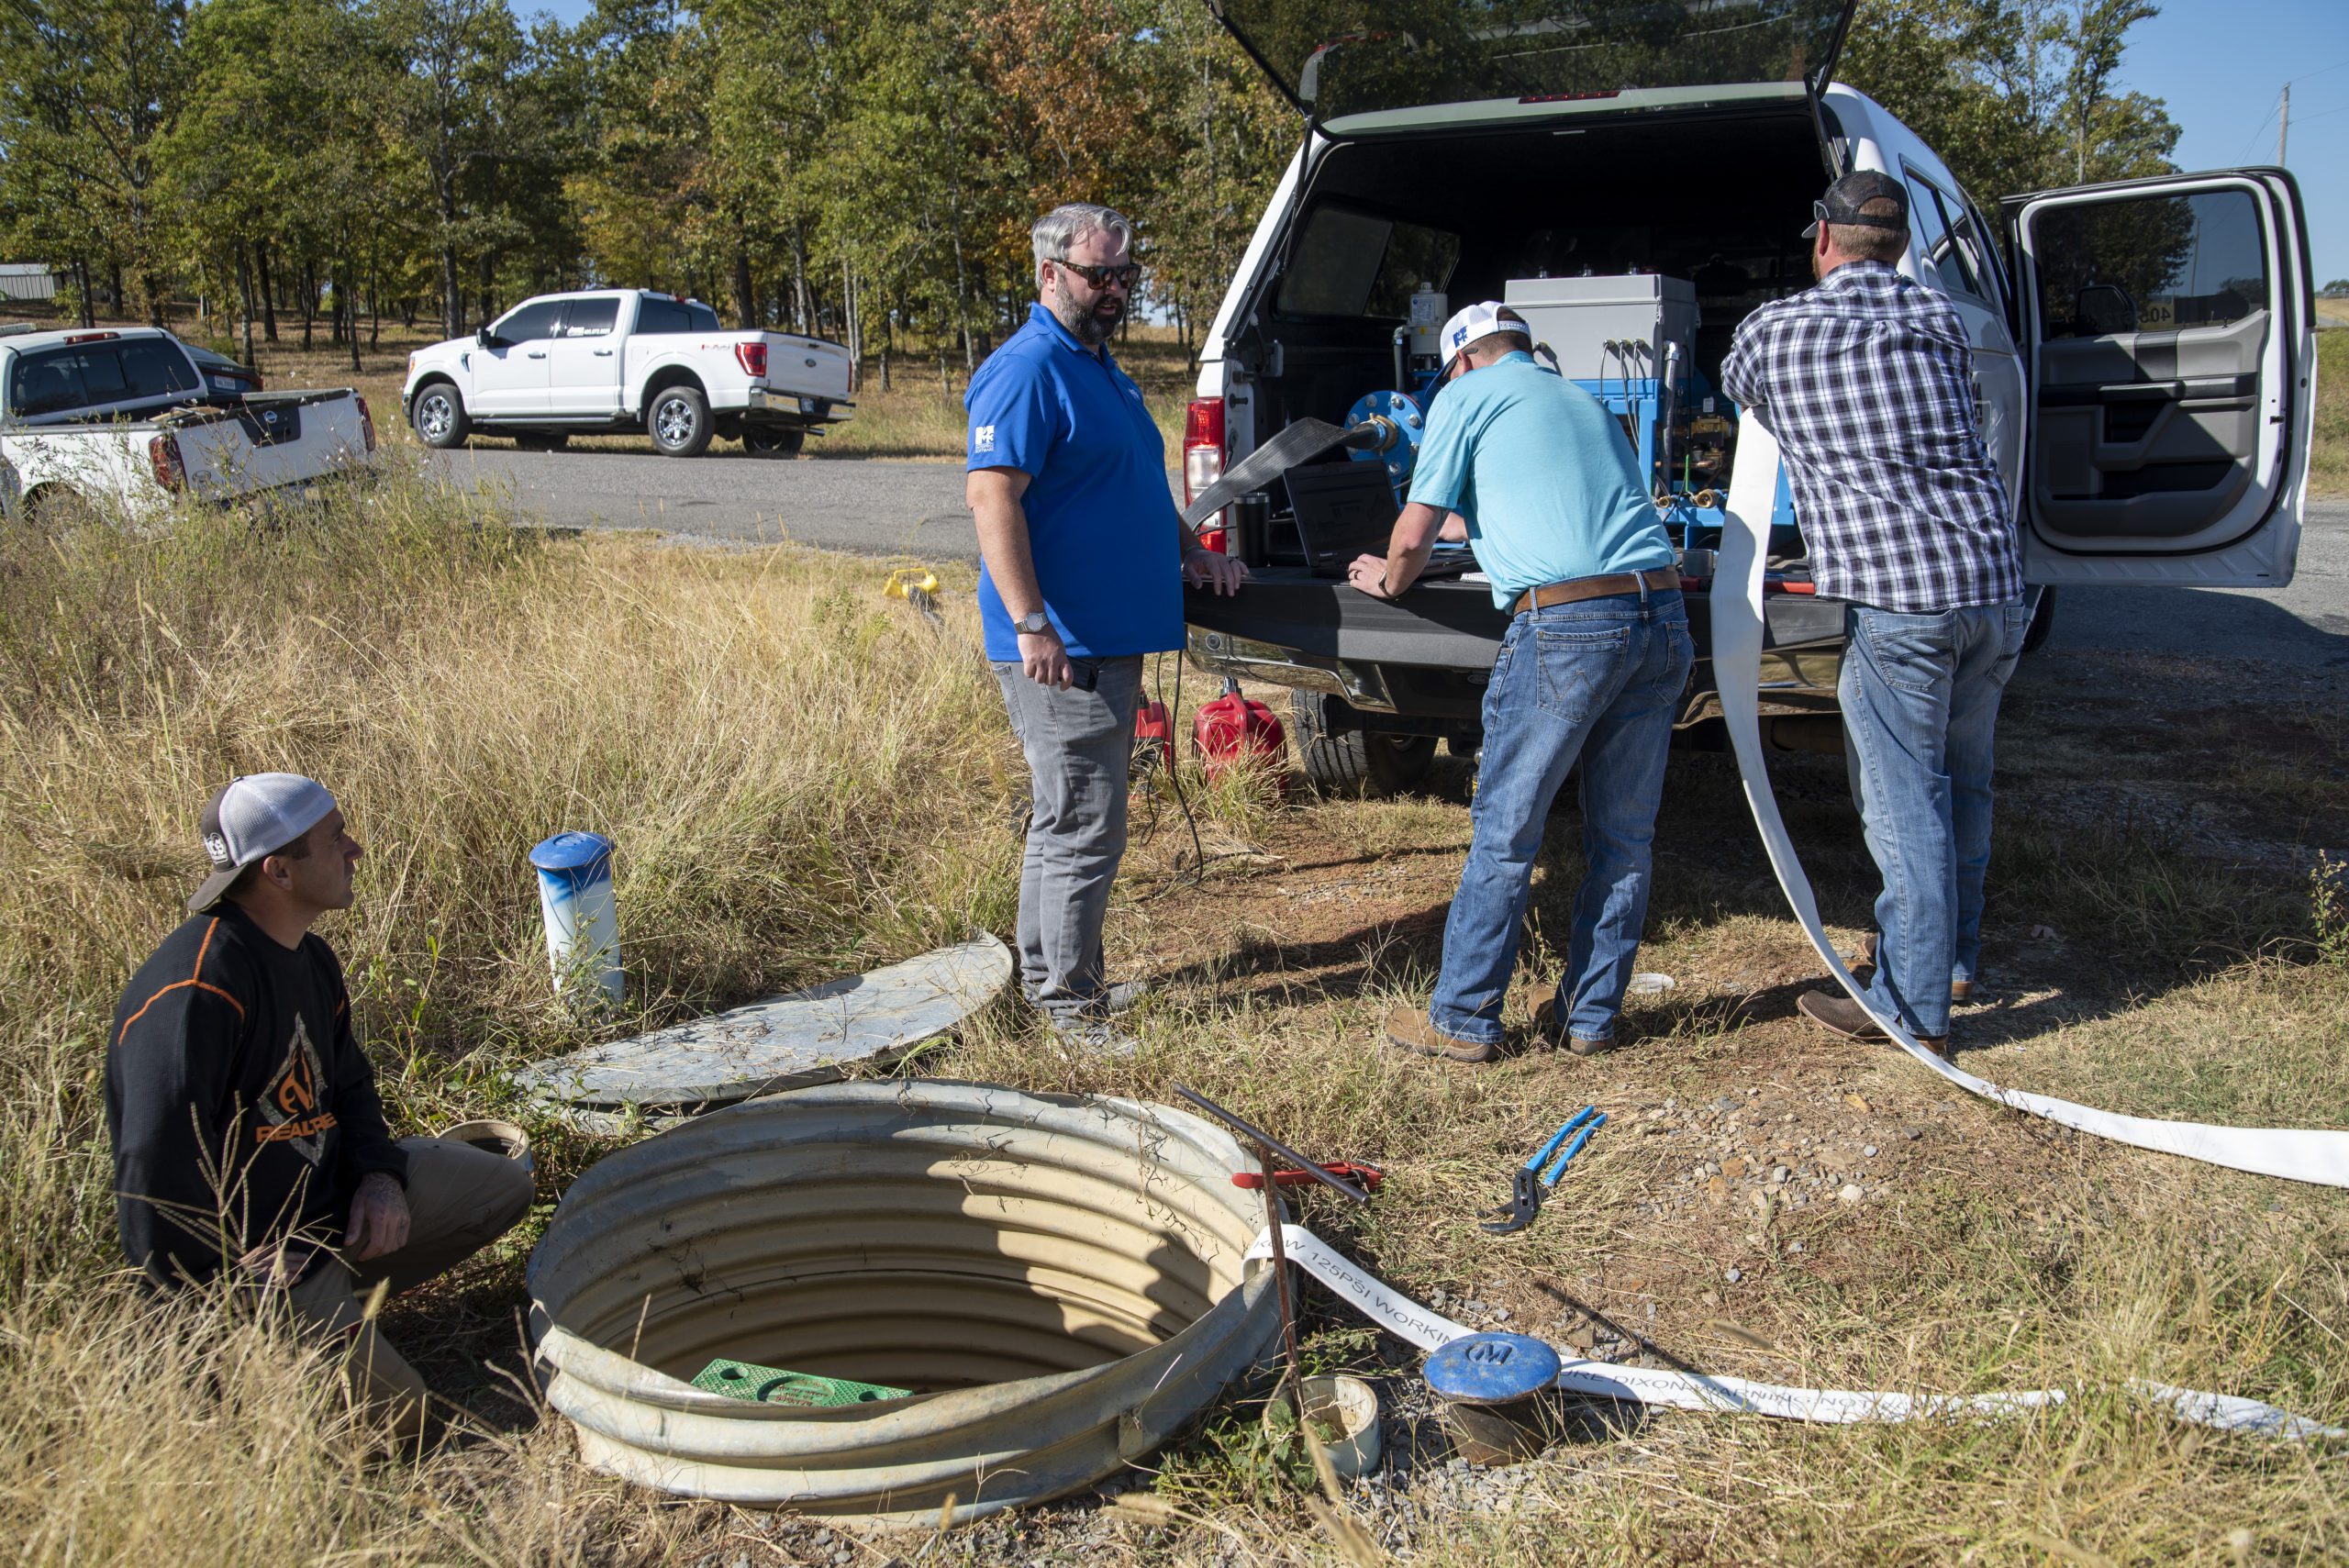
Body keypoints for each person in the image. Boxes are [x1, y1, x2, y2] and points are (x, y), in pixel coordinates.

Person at [106, 773, 533, 1440]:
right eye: (335, 839)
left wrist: (380, 1178)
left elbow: (352, 1087)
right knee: (400, 1418)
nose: (355, 850)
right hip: (259, 1266)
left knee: (504, 1189)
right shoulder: (194, 993)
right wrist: (221, 1279)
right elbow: (149, 1177)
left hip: (326, 1214)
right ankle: (253, 1357)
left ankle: (333, 1315)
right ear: (279, 870)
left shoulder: (309, 956)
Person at [1720, 170, 2029, 1058]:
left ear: (1822, 238)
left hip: (1902, 606)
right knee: (1961, 783)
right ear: (1897, 246)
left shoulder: (1773, 329)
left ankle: (1912, 1004)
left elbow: (1738, 388)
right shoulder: (1942, 322)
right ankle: (1952, 959)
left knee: (1903, 807)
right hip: (1992, 590)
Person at [1358, 301, 1692, 1064]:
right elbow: (1497, 506)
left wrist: (1388, 577)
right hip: (1662, 612)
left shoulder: (1464, 396)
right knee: (1624, 837)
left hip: (1573, 627)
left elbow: (1415, 531)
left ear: (1462, 362)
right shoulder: (1574, 396)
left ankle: (1463, 1018)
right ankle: (1589, 1016)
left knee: (1506, 830)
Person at [964, 202, 1246, 1052]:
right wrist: (1030, 623)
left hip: (1106, 638)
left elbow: (1131, 487)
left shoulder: (1100, 367)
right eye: (1102, 274)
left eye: (1128, 273)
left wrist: (1192, 552)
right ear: (1051, 274)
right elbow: (991, 499)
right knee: (1086, 817)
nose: (1119, 288)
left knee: (1070, 814)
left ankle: (1050, 978)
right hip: (1064, 646)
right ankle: (1065, 1004)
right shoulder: (1027, 369)